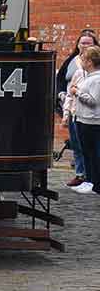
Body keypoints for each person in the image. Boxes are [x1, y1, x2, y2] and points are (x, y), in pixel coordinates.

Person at [60, 30, 98, 187]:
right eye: (82, 43)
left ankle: (92, 178)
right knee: (77, 145)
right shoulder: (73, 62)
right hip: (76, 111)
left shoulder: (95, 74)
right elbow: (62, 80)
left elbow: (93, 99)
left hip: (91, 115)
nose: (84, 46)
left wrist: (78, 93)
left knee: (91, 148)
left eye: (88, 43)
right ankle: (81, 174)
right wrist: (65, 107)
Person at [67, 45, 100, 194]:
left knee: (94, 154)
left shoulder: (97, 79)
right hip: (83, 119)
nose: (82, 62)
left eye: (84, 59)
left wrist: (77, 92)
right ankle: (89, 181)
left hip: (92, 122)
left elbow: (93, 100)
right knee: (86, 152)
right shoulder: (89, 77)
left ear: (90, 62)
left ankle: (95, 183)